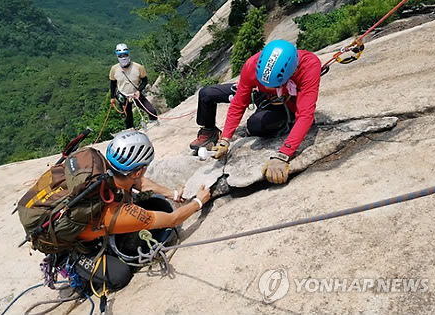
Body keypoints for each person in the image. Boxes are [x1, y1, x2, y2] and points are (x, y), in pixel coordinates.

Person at [76, 130, 211, 289]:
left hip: (86, 222)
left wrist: (173, 194)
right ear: (138, 171)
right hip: (78, 245)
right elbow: (172, 220)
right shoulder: (123, 214)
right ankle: (74, 264)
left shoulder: (106, 168)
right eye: (144, 168)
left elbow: (140, 183)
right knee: (120, 274)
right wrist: (198, 202)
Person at [189, 40, 321, 184]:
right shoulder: (252, 65)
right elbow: (239, 103)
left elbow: (305, 115)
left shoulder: (309, 65)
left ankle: (286, 122)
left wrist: (283, 155)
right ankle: (209, 132)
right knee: (207, 93)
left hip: (286, 101)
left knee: (256, 125)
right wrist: (225, 139)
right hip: (260, 92)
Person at [110, 43, 159, 129]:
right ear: (117, 56)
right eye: (120, 55)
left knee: (151, 111)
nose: (123, 57)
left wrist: (138, 91)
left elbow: (144, 80)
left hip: (136, 94)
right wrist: (112, 97)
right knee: (128, 118)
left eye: (125, 55)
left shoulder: (138, 67)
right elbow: (113, 83)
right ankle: (131, 131)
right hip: (123, 96)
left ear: (128, 54)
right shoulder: (114, 69)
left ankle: (154, 127)